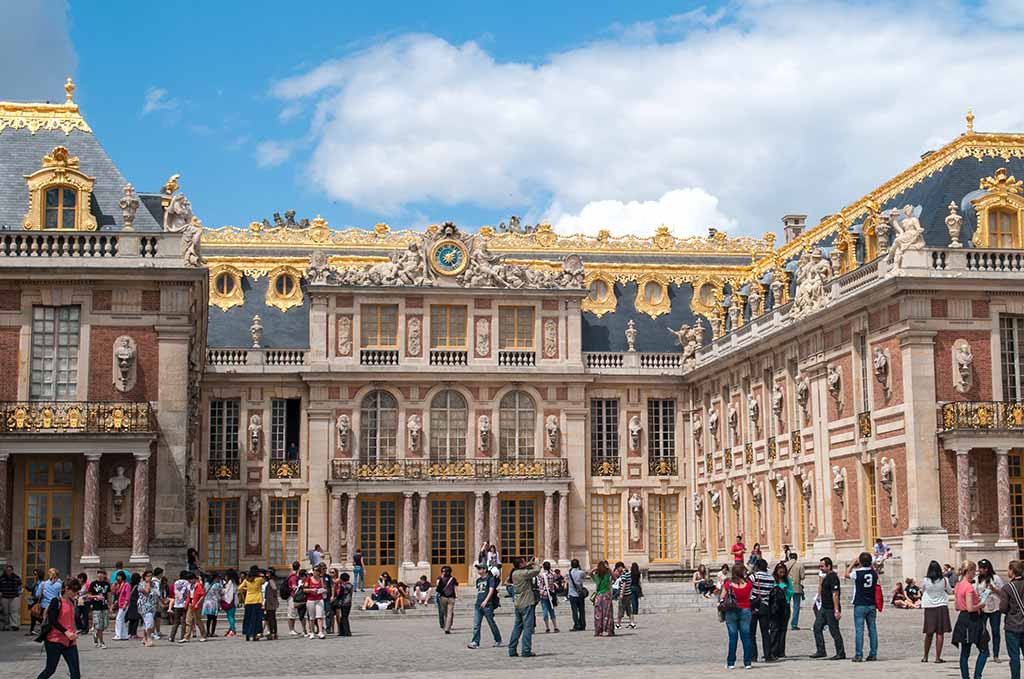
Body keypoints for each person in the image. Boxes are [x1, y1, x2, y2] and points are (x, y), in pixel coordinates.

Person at [35, 576, 81, 679]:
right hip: (54, 641)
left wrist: (77, 630)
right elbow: (53, 621)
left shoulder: (73, 602)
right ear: (66, 589)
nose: (75, 594)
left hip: (70, 643)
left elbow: (72, 619)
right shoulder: (56, 601)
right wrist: (66, 632)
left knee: (75, 673)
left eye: (77, 591)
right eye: (74, 591)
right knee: (50, 670)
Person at [953, 560, 989, 679]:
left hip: (962, 619)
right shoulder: (968, 587)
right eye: (974, 571)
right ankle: (977, 676)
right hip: (972, 619)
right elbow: (970, 608)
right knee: (984, 650)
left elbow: (957, 606)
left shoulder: (958, 586)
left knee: (965, 653)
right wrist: (980, 604)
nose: (975, 574)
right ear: (969, 571)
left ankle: (965, 677)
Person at [810, 556, 845, 660]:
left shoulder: (833, 577)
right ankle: (821, 650)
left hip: (831, 608)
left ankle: (841, 652)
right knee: (817, 627)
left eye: (822, 566)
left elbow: (835, 594)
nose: (820, 568)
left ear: (828, 566)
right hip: (824, 608)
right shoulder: (826, 576)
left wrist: (836, 610)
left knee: (834, 631)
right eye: (819, 566)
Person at [721, 562, 754, 670]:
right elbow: (750, 597)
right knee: (746, 637)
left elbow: (722, 597)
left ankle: (731, 663)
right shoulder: (749, 584)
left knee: (733, 637)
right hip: (745, 610)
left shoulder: (728, 584)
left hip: (731, 611)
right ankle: (748, 662)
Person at [847, 551, 879, 662]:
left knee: (859, 630)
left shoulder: (857, 573)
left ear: (860, 561)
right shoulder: (873, 573)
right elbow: (874, 570)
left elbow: (846, 574)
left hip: (860, 603)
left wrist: (852, 564)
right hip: (871, 604)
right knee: (872, 630)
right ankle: (873, 653)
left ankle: (859, 654)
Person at [508, 556, 540, 657]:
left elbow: (527, 570)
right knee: (527, 628)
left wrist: (528, 565)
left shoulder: (514, 573)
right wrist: (537, 563)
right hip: (526, 602)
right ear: (521, 564)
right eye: (524, 562)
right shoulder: (522, 574)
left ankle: (512, 649)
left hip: (518, 603)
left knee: (517, 627)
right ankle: (526, 650)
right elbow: (536, 571)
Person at [923, 559, 953, 663]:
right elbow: (949, 591)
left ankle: (925, 656)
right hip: (941, 606)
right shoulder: (944, 580)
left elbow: (923, 590)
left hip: (929, 606)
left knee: (929, 632)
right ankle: (937, 657)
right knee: (940, 633)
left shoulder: (925, 580)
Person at [976, 559, 1004, 664]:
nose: (979, 570)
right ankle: (985, 650)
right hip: (983, 607)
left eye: (981, 568)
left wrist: (994, 589)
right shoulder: (977, 579)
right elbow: (975, 591)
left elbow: (1003, 592)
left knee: (995, 631)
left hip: (995, 607)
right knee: (982, 631)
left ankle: (996, 654)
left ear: (987, 569)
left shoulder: (996, 578)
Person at [999, 559, 1024, 679]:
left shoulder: (1007, 588)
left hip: (1013, 626)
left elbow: (1003, 608)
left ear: (1012, 571)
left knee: (1014, 657)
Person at [468, 562, 502, 649]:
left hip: (487, 605)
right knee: (476, 624)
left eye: (480, 568)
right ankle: (475, 642)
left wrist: (486, 601)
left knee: (491, 623)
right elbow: (479, 591)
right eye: (478, 568)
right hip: (478, 604)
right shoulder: (478, 580)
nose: (478, 570)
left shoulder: (490, 579)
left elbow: (491, 590)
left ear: (484, 569)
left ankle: (498, 639)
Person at [749, 558, 774, 662]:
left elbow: (748, 588)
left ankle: (753, 656)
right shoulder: (771, 578)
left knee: (752, 633)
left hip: (753, 605)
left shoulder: (753, 576)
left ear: (757, 566)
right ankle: (767, 655)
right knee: (765, 632)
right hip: (765, 605)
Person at [769, 561, 793, 660]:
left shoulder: (787, 580)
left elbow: (792, 592)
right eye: (780, 572)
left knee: (783, 629)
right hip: (775, 607)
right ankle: (772, 651)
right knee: (774, 629)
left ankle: (781, 651)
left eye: (783, 572)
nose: (782, 573)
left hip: (785, 606)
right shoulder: (772, 580)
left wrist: (786, 590)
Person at [238, 566, 265, 641]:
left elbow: (239, 588)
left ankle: (247, 632)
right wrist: (261, 575)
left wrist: (247, 589)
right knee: (256, 619)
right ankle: (255, 634)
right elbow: (264, 581)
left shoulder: (247, 580)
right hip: (257, 600)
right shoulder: (259, 579)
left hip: (248, 600)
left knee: (248, 618)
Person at [85, 569, 110, 649]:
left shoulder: (107, 584)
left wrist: (110, 605)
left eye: (102, 574)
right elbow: (88, 595)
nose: (100, 575)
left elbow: (109, 595)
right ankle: (102, 642)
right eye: (99, 574)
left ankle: (96, 635)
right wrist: (95, 596)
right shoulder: (93, 584)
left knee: (105, 625)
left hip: (104, 606)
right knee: (99, 625)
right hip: (96, 607)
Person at [591, 560, 614, 637]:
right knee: (608, 614)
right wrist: (609, 568)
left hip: (599, 596)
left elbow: (589, 573)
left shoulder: (596, 576)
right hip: (607, 595)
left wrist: (594, 569)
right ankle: (609, 630)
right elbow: (615, 577)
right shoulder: (607, 574)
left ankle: (598, 631)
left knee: (598, 614)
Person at [182, 572, 207, 642]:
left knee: (198, 621)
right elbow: (189, 595)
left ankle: (203, 635)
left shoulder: (198, 585)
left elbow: (202, 595)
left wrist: (198, 603)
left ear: (194, 579)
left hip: (196, 604)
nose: (189, 581)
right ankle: (186, 637)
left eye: (190, 579)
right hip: (190, 603)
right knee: (188, 621)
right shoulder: (190, 586)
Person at [167, 571, 190, 643]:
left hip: (177, 603)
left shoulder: (176, 582)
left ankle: (171, 636)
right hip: (184, 603)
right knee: (184, 622)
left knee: (176, 622)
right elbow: (188, 592)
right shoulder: (187, 583)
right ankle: (182, 636)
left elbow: (174, 591)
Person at [137, 576, 159, 648]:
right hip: (144, 606)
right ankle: (149, 638)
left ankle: (145, 638)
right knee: (149, 622)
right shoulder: (141, 585)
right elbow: (146, 592)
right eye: (147, 576)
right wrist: (148, 584)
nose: (149, 578)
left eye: (150, 576)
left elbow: (157, 594)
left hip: (152, 606)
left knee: (146, 623)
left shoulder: (154, 585)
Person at [537, 561, 560, 633]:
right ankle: (555, 626)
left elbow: (540, 585)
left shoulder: (541, 575)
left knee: (545, 610)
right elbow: (557, 576)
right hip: (551, 593)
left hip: (543, 594)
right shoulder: (552, 574)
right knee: (551, 610)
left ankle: (547, 627)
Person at [304, 567, 326, 638]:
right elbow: (304, 589)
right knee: (312, 617)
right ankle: (312, 632)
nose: (315, 572)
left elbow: (325, 588)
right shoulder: (309, 579)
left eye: (317, 571)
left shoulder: (321, 579)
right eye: (314, 570)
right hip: (311, 599)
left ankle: (320, 632)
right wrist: (311, 590)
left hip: (319, 599)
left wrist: (322, 590)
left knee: (320, 616)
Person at [285, 561, 305, 636]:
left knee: (292, 613)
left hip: (292, 596)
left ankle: (292, 629)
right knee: (291, 613)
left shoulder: (291, 575)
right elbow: (294, 587)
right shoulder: (293, 576)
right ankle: (291, 629)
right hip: (292, 596)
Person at [436, 566, 458, 634]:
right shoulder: (453, 579)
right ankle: (447, 628)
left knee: (445, 613)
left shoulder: (441, 579)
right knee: (450, 613)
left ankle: (446, 626)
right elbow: (455, 586)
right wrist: (456, 595)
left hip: (443, 597)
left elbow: (438, 589)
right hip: (451, 597)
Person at [567, 558, 587, 631]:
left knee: (574, 611)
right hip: (580, 594)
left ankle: (577, 625)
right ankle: (582, 624)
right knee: (581, 610)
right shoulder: (581, 572)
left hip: (572, 594)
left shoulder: (569, 573)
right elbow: (584, 578)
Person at [0, 564, 22, 632]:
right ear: (5, 571)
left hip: (14, 597)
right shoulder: (1, 578)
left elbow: (20, 585)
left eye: (10, 570)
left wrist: (19, 591)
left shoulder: (16, 577)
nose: (8, 571)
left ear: (12, 570)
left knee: (14, 612)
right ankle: (6, 625)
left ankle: (14, 625)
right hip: (4, 597)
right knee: (5, 612)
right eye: (7, 570)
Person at [613, 561, 634, 629]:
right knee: (629, 610)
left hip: (624, 594)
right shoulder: (628, 573)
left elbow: (624, 584)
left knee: (621, 609)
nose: (617, 570)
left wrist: (621, 593)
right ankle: (632, 623)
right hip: (629, 593)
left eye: (617, 568)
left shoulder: (624, 574)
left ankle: (618, 624)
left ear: (620, 567)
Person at [787, 551, 805, 630]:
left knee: (786, 606)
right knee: (796, 606)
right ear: (796, 557)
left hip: (787, 588)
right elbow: (802, 576)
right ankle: (794, 624)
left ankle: (784, 623)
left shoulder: (785, 565)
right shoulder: (799, 565)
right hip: (797, 588)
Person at [202, 572, 223, 638]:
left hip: (207, 602)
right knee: (214, 619)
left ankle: (208, 632)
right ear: (216, 578)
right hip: (214, 603)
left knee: (209, 619)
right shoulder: (217, 585)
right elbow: (221, 593)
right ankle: (212, 633)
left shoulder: (206, 584)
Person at [333, 572, 353, 637]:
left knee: (344, 618)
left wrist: (336, 599)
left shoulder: (343, 586)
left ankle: (347, 632)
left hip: (344, 603)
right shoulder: (351, 585)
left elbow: (340, 594)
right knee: (344, 617)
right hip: (349, 602)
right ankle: (342, 631)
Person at [263, 568, 280, 640]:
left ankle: (273, 633)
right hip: (269, 601)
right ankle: (272, 632)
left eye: (268, 573)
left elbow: (274, 588)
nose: (266, 574)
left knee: (271, 618)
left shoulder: (271, 580)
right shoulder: (270, 581)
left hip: (271, 602)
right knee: (270, 618)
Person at [111, 571, 129, 640]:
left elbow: (127, 595)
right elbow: (113, 592)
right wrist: (114, 585)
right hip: (119, 603)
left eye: (120, 576)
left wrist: (125, 603)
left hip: (124, 604)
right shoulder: (118, 584)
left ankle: (118, 634)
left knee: (118, 618)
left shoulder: (126, 584)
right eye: (117, 576)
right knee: (121, 619)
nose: (118, 577)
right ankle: (124, 635)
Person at [222, 569, 239, 636]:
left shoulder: (230, 582)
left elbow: (226, 591)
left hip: (230, 601)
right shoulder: (235, 582)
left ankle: (233, 630)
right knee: (232, 616)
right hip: (234, 600)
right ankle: (231, 628)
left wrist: (221, 589)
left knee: (230, 616)